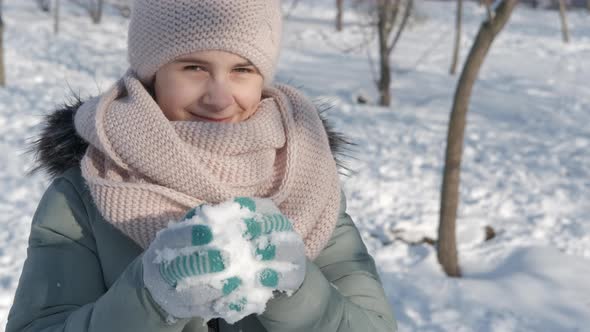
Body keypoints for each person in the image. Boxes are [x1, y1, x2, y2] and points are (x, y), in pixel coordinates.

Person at [6, 0, 397, 331]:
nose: (220, 98)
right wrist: (151, 297)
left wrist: (299, 294)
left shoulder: (307, 178)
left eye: (242, 69)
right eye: (194, 67)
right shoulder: (85, 190)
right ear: (151, 74)